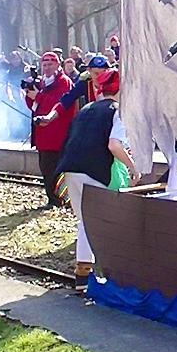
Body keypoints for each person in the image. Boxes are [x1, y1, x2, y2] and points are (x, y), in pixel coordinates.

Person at [56, 69, 140, 281]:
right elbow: (114, 145)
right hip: (94, 171)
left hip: (70, 170)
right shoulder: (117, 112)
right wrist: (133, 168)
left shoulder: (86, 109)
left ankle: (84, 273)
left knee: (85, 221)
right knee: (100, 222)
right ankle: (103, 273)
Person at [26, 52, 75, 208]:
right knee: (46, 168)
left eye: (50, 64)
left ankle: (59, 200)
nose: (47, 68)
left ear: (57, 65)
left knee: (57, 169)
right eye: (44, 65)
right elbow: (34, 106)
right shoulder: (42, 83)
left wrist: (38, 96)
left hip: (58, 134)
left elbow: (60, 104)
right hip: (43, 135)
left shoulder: (64, 82)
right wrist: (29, 94)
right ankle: (52, 199)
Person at [37, 55, 110, 124]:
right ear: (89, 71)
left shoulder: (113, 83)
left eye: (104, 73)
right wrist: (49, 117)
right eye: (96, 73)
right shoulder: (85, 84)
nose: (100, 77)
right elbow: (66, 100)